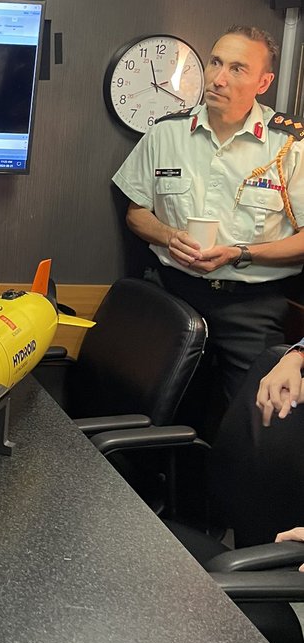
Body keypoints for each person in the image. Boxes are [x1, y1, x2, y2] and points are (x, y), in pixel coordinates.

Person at [112, 25, 304, 437]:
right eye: (216, 62)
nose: (218, 78)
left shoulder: (290, 146)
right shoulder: (167, 132)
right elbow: (136, 213)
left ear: (264, 82)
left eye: (237, 68)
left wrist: (241, 253)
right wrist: (167, 235)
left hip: (251, 307)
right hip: (176, 297)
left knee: (253, 428)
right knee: (151, 416)